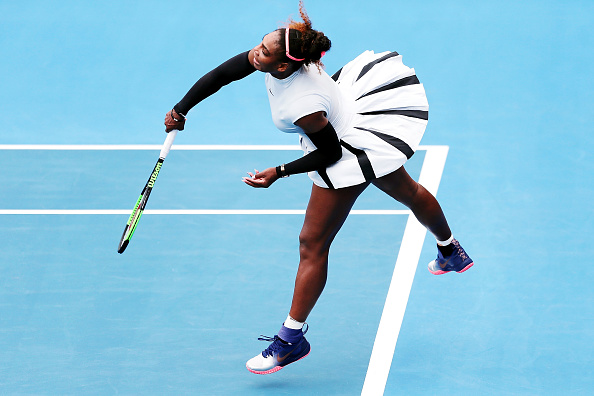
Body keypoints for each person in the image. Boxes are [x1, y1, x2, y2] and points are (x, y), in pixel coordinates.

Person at [164, 1, 473, 375]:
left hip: (344, 153)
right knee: (407, 191)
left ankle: (291, 340)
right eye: (259, 45)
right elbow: (225, 73)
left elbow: (329, 152)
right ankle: (450, 251)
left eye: (262, 51)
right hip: (356, 123)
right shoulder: (279, 59)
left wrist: (279, 171)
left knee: (312, 244)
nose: (253, 53)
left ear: (282, 65)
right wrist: (183, 108)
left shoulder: (303, 104)